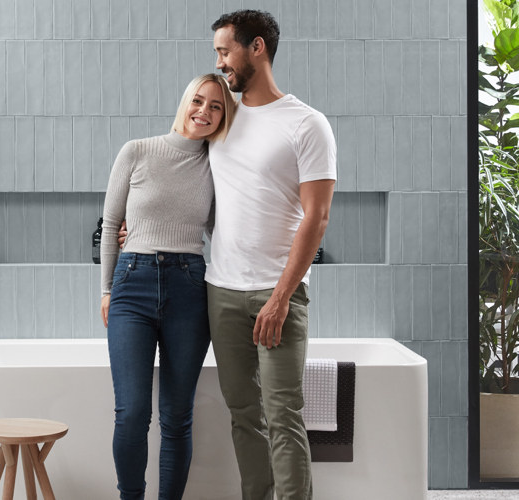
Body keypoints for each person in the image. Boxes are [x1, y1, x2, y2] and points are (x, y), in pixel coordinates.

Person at [209, 9, 337, 500]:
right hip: (221, 290)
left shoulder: (307, 124)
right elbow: (189, 183)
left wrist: (281, 297)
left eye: (225, 51)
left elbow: (317, 217)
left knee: (283, 415)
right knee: (244, 415)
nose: (220, 62)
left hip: (275, 292)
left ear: (256, 48)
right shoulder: (223, 116)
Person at [98, 73, 237, 500]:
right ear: (185, 101)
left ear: (224, 117)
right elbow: (109, 225)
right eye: (199, 100)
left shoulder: (218, 164)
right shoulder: (137, 151)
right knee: (133, 412)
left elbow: (225, 230)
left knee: (177, 417)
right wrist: (106, 288)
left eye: (216, 106)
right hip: (132, 283)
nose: (205, 112)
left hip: (190, 287)